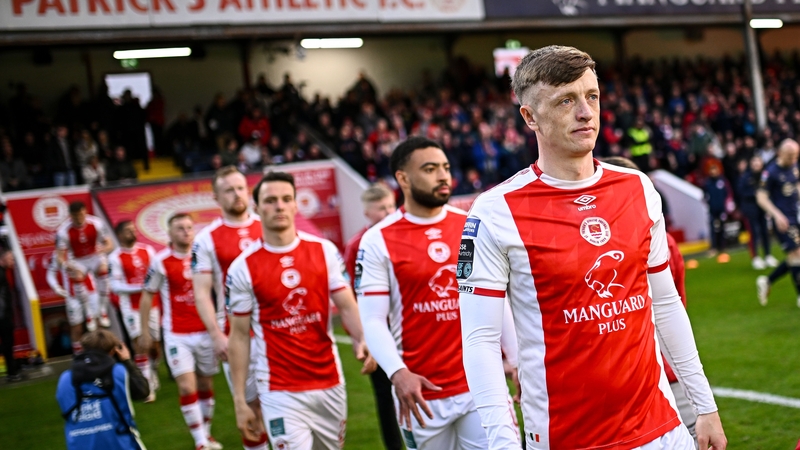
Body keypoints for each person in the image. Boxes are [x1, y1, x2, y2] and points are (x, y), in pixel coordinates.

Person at [458, 45, 726, 450]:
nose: (585, 112)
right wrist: (502, 443)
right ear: (529, 117)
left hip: (662, 428)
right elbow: (480, 340)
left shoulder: (637, 188)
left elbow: (666, 304)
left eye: (592, 96)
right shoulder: (495, 212)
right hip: (568, 438)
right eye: (566, 100)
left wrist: (704, 405)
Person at [357, 136, 519, 450]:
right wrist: (398, 373)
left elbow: (498, 302)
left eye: (445, 167)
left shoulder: (473, 225)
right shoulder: (377, 240)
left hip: (482, 385)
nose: (443, 175)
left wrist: (514, 360)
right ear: (402, 178)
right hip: (420, 394)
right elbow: (373, 320)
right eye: (430, 169)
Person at [226, 171, 374, 450]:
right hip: (278, 388)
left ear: (296, 205)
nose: (279, 206)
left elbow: (345, 303)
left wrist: (363, 337)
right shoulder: (242, 267)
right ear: (256, 208)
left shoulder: (324, 250)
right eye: (270, 200)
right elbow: (239, 336)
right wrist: (239, 400)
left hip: (329, 381)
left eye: (286, 199)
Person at [192, 166, 269, 450]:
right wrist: (215, 335)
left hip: (277, 331)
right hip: (237, 335)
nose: (237, 194)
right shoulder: (205, 238)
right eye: (229, 190)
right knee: (250, 410)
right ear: (216, 197)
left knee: (289, 405)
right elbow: (201, 292)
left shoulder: (267, 224)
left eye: (240, 188)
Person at [139, 214, 221, 450]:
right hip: (176, 334)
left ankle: (206, 433)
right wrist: (146, 331)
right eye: (179, 228)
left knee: (206, 384)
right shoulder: (160, 261)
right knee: (187, 386)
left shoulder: (205, 257)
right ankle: (200, 443)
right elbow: (147, 295)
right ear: (170, 233)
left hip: (206, 331)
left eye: (188, 227)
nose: (185, 232)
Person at [342, 183, 402, 450]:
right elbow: (348, 295)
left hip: (408, 329)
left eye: (391, 206)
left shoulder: (403, 237)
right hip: (378, 334)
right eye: (381, 208)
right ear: (367, 212)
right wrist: (359, 335)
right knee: (385, 395)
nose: (388, 212)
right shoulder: (357, 245)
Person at [56, 329, 149, 450]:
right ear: (112, 351)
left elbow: (66, 409)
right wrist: (127, 361)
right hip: (119, 444)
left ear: (83, 348)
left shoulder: (65, 379)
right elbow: (143, 391)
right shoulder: (118, 372)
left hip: (79, 445)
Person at [109, 220, 161, 402]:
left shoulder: (148, 250)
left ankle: (153, 369)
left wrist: (149, 287)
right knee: (140, 344)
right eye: (128, 231)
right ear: (119, 235)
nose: (132, 232)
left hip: (151, 305)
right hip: (130, 308)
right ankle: (147, 389)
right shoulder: (115, 257)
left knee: (154, 345)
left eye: (133, 229)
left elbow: (157, 275)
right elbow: (115, 285)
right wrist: (141, 287)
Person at [56, 201, 115, 328]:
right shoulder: (63, 231)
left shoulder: (97, 223)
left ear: (86, 211)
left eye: (81, 216)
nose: (79, 219)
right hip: (78, 260)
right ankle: (89, 313)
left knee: (104, 272)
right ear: (70, 216)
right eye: (76, 217)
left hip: (95, 255)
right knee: (76, 277)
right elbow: (59, 257)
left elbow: (110, 245)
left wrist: (103, 250)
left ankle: (103, 310)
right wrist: (66, 265)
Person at [756, 139, 800, 308]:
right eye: (790, 156)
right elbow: (761, 197)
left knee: (794, 257)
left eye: (796, 156)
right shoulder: (770, 172)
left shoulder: (794, 167)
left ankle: (767, 280)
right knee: (796, 254)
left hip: (795, 216)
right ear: (780, 153)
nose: (793, 159)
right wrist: (776, 215)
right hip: (783, 220)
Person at [47, 251, 100, 354]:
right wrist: (56, 287)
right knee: (77, 329)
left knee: (96, 326)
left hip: (91, 293)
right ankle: (79, 357)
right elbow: (50, 274)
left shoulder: (88, 247)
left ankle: (99, 354)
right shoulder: (59, 254)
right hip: (73, 297)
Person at [737, 155, 778, 270]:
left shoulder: (765, 176)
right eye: (754, 161)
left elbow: (770, 190)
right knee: (754, 232)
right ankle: (755, 258)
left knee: (765, 232)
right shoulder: (745, 177)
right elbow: (741, 191)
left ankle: (768, 256)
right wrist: (755, 194)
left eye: (758, 161)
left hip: (762, 208)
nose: (756, 163)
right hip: (750, 208)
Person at [703, 160, 734, 263]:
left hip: (722, 210)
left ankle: (723, 247)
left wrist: (727, 205)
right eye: (711, 169)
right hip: (712, 210)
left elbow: (728, 194)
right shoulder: (707, 183)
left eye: (715, 169)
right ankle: (714, 248)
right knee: (713, 229)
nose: (713, 171)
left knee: (722, 229)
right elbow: (705, 196)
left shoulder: (723, 181)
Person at [0, 247, 21, 381]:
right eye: (11, 258)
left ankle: (12, 372)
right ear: (3, 259)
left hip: (5, 315)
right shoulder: (1, 275)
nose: (13, 261)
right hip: (3, 316)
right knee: (8, 344)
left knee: (8, 344)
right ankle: (12, 373)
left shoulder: (3, 273)